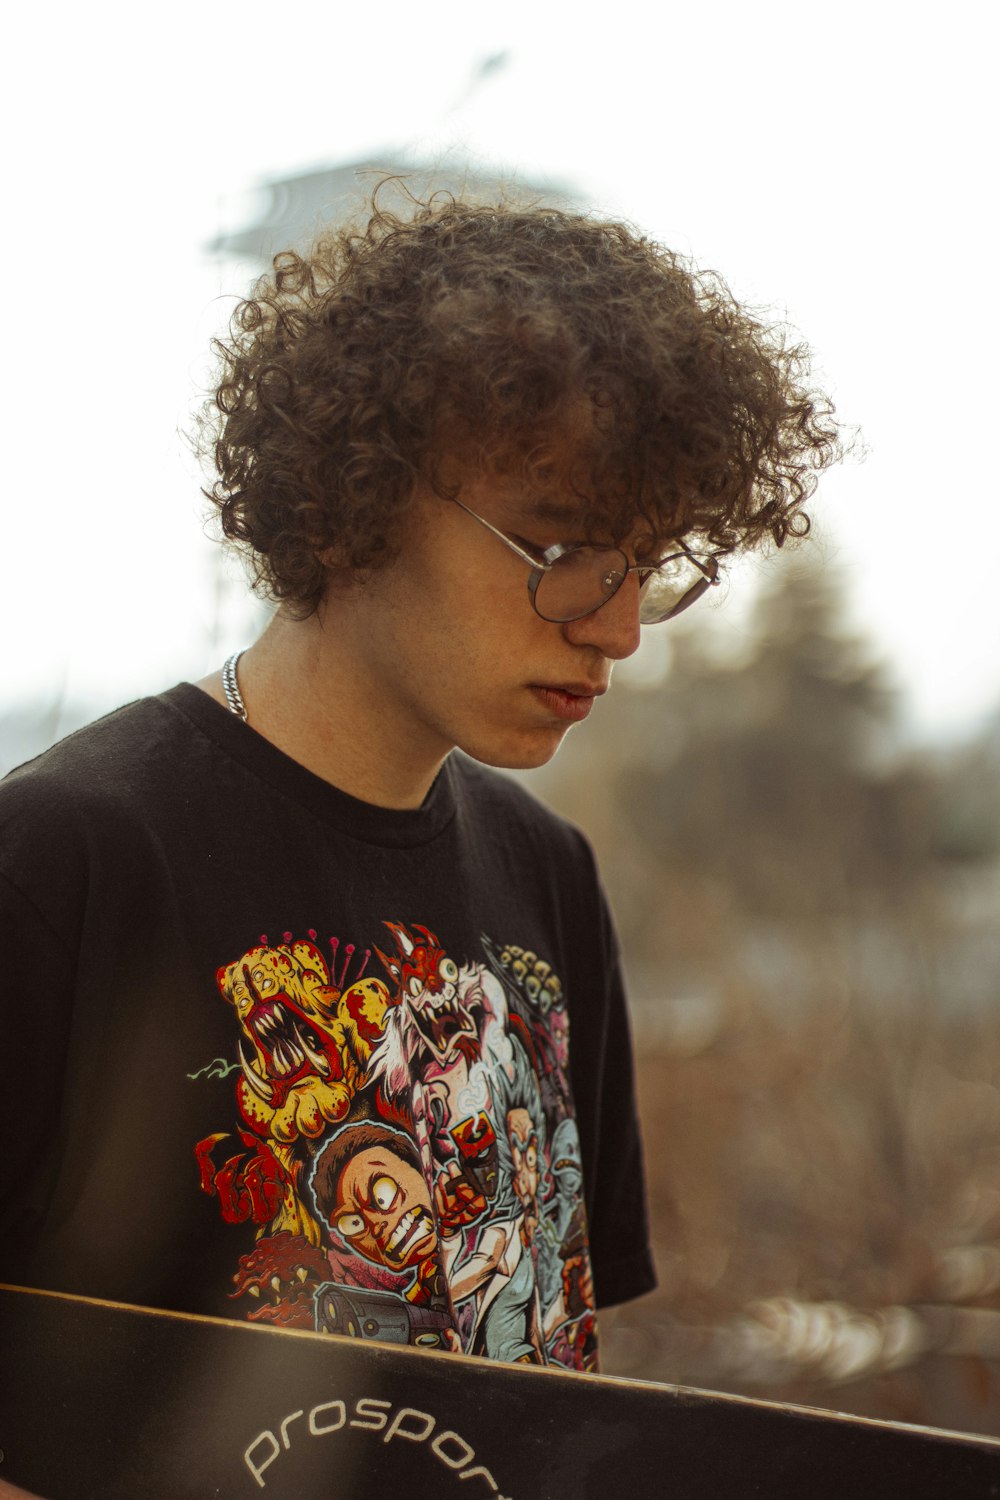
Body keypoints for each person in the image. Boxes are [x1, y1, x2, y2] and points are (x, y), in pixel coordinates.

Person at [0, 188, 841, 1381]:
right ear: (358, 495)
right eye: (558, 553)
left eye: (643, 569)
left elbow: (563, 1355)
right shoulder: (61, 860)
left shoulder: (548, 869)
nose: (617, 632)